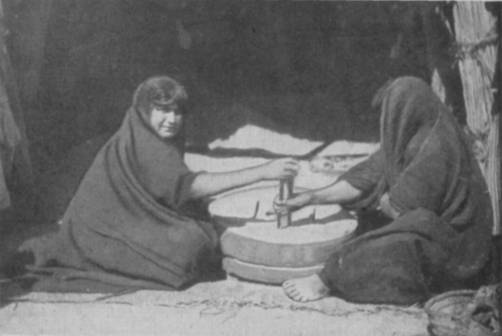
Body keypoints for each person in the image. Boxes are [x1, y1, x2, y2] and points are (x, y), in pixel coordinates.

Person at [22, 75, 299, 289]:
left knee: (200, 225)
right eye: (162, 110)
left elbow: (166, 188)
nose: (172, 120)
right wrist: (263, 171)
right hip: (101, 233)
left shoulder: (150, 133)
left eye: (177, 112)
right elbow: (187, 187)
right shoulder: (145, 142)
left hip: (124, 219)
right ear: (144, 110)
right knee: (191, 248)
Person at [275, 76, 493, 305]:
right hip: (435, 227)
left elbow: (401, 213)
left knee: (384, 246)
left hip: (459, 254)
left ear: (403, 111)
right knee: (371, 205)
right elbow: (367, 176)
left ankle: (326, 281)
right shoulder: (419, 128)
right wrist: (311, 197)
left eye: (388, 113)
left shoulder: (436, 148)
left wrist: (384, 199)